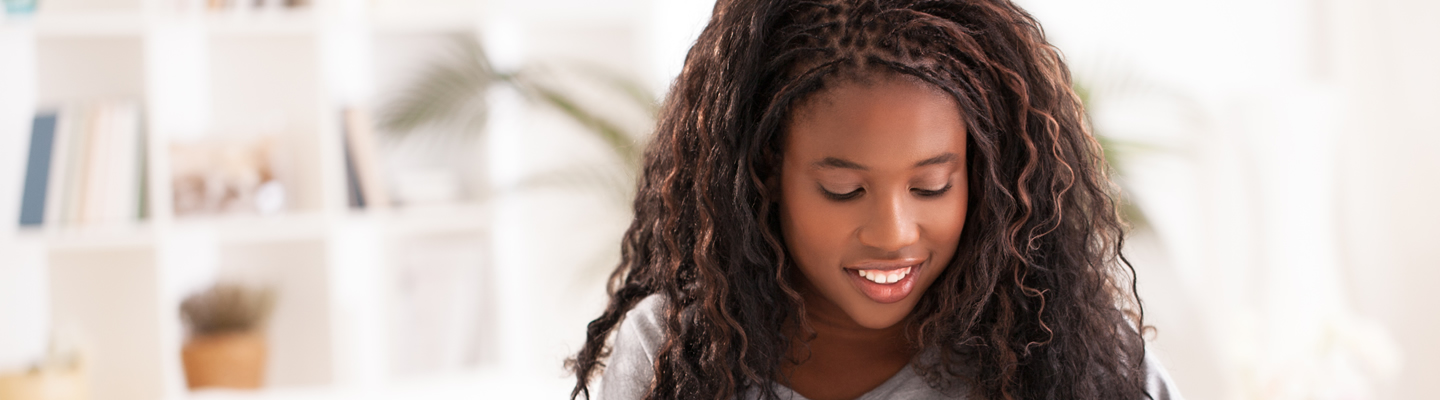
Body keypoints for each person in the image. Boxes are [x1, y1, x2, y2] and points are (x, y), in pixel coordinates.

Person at [568, 0, 1183, 399]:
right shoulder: (675, 349)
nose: (893, 233)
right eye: (844, 191)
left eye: (931, 186)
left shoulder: (1064, 352)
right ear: (765, 176)